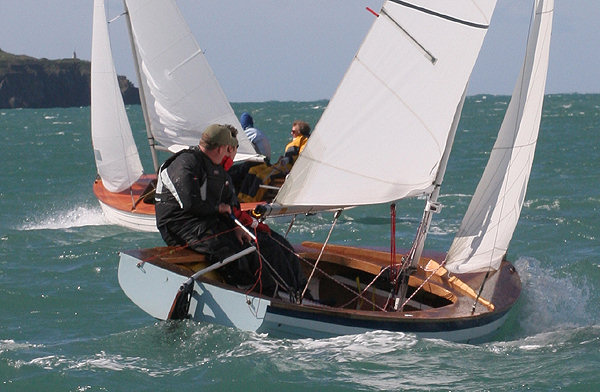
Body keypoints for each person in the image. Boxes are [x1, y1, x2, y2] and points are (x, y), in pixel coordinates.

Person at [155, 124, 306, 298]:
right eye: (230, 150)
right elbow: (190, 203)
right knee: (237, 252)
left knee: (268, 243)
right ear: (222, 149)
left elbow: (228, 206)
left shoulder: (218, 170)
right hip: (179, 226)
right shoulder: (185, 162)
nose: (231, 155)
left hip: (207, 221)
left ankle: (297, 292)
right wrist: (219, 208)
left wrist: (236, 227)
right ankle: (256, 295)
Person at [237, 120, 311, 203]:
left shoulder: (304, 140)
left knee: (263, 176)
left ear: (300, 132)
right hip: (280, 165)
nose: (291, 133)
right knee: (254, 170)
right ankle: (241, 197)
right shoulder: (296, 141)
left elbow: (303, 157)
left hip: (287, 168)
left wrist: (289, 159)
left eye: (293, 131)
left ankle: (251, 200)